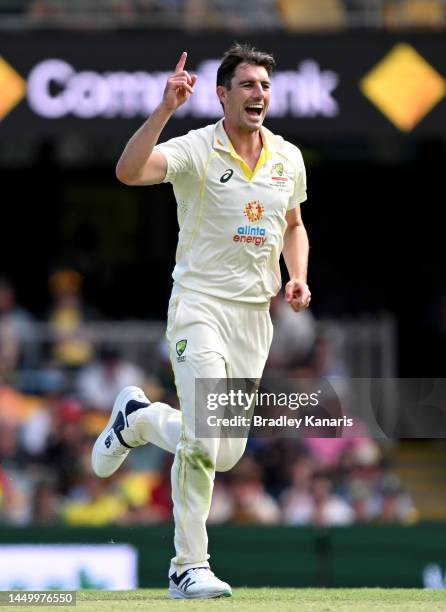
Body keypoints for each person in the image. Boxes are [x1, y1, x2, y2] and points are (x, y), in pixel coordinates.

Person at [92, 43, 311, 599]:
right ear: (222, 94)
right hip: (199, 309)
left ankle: (137, 420)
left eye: (264, 85)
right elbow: (128, 171)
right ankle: (187, 566)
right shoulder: (196, 148)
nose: (258, 93)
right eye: (247, 85)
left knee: (225, 450)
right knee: (205, 438)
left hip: (252, 319)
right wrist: (165, 108)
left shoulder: (287, 156)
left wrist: (297, 276)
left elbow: (293, 225)